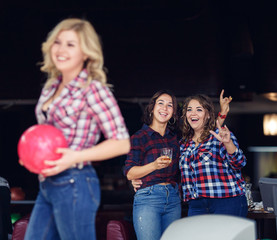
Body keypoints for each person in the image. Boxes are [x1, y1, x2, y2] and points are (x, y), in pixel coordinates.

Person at [22, 18, 130, 240]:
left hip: (74, 182)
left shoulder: (93, 90)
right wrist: (32, 156)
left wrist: (75, 157)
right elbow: (46, 136)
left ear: (86, 53)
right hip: (47, 182)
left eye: (71, 44)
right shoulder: (52, 87)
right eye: (57, 42)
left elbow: (122, 142)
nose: (61, 49)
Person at [125, 90, 231, 240]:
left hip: (174, 198)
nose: (164, 108)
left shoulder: (177, 138)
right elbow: (130, 172)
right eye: (160, 103)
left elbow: (204, 132)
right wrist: (153, 166)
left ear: (174, 112)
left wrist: (223, 113)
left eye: (170, 105)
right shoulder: (139, 137)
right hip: (148, 198)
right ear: (152, 108)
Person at [179, 94, 248, 217]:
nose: (193, 113)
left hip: (226, 201)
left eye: (199, 109)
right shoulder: (184, 144)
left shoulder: (219, 136)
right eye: (189, 110)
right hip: (196, 204)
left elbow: (239, 163)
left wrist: (228, 143)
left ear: (208, 115)